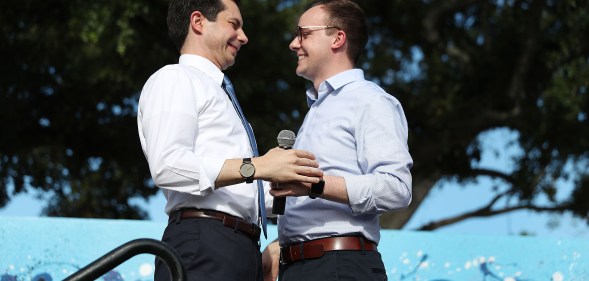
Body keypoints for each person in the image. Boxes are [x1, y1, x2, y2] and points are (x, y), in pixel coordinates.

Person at [137, 0, 323, 280]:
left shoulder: (222, 95)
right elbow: (168, 166)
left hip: (240, 248)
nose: (244, 37)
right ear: (198, 22)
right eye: (233, 24)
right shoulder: (175, 79)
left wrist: (284, 189)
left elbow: (239, 192)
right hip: (204, 244)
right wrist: (258, 166)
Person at [262, 0, 413, 280]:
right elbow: (307, 205)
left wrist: (315, 184)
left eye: (304, 34)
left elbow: (397, 188)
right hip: (301, 267)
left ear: (337, 38)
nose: (294, 44)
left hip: (340, 266)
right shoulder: (317, 109)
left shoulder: (370, 100)